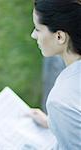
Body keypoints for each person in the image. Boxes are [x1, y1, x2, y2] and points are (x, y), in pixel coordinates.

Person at [29, 0, 81, 149]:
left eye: (38, 29)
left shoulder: (60, 101)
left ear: (60, 37)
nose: (33, 35)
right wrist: (54, 123)